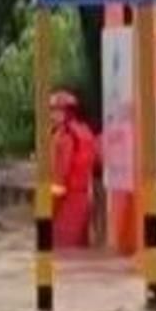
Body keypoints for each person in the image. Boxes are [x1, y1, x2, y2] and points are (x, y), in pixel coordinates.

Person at [48, 90, 101, 249]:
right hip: (83, 196)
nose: (52, 115)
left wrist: (50, 203)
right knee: (78, 245)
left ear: (67, 113)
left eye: (55, 111)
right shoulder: (83, 132)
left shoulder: (66, 136)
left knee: (63, 247)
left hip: (67, 198)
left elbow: (61, 171)